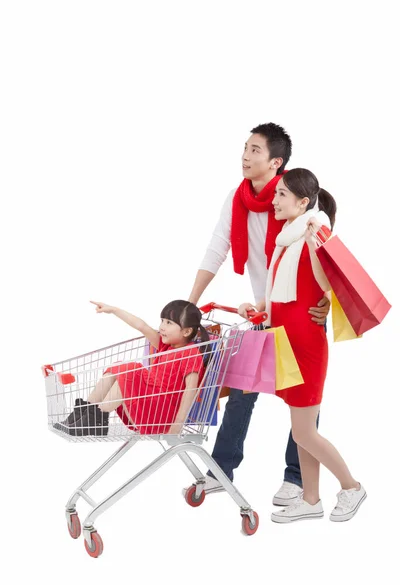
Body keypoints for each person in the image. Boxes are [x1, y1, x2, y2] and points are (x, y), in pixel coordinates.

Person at [184, 123, 330, 505]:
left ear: (275, 161)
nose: (245, 156)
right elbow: (217, 247)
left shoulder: (292, 198)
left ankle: (297, 480)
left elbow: (325, 243)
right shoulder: (238, 199)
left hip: (300, 313)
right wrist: (190, 302)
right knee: (242, 391)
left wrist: (327, 298)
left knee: (302, 400)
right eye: (244, 148)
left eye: (255, 150)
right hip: (264, 311)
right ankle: (221, 470)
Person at [259, 167, 365, 522]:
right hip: (285, 341)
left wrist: (327, 301)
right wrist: (259, 308)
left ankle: (351, 487)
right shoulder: (287, 238)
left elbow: (336, 281)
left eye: (282, 195)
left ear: (303, 202)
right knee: (301, 430)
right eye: (275, 194)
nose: (274, 201)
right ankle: (311, 499)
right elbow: (279, 296)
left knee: (304, 429)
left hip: (305, 344)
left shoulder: (312, 232)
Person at [54, 300, 209, 437]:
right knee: (120, 367)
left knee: (132, 371)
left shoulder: (190, 354)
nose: (161, 327)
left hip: (162, 415)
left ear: (187, 331)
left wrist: (177, 425)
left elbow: (190, 391)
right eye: (162, 320)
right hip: (150, 404)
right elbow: (141, 326)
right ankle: (84, 415)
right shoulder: (166, 346)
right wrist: (114, 310)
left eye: (169, 323)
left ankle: (97, 417)